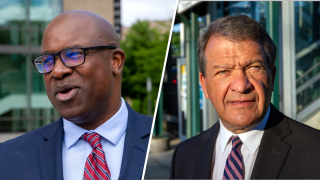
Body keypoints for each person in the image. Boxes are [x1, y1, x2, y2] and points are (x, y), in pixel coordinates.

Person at [0, 10, 152, 180]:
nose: (57, 71)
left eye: (73, 54)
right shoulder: (6, 160)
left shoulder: (167, 149)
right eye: (48, 61)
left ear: (115, 61)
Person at [170, 15, 320, 179]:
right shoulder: (183, 156)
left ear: (272, 77)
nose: (241, 86)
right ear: (204, 84)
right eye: (224, 71)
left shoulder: (315, 152)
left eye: (254, 67)